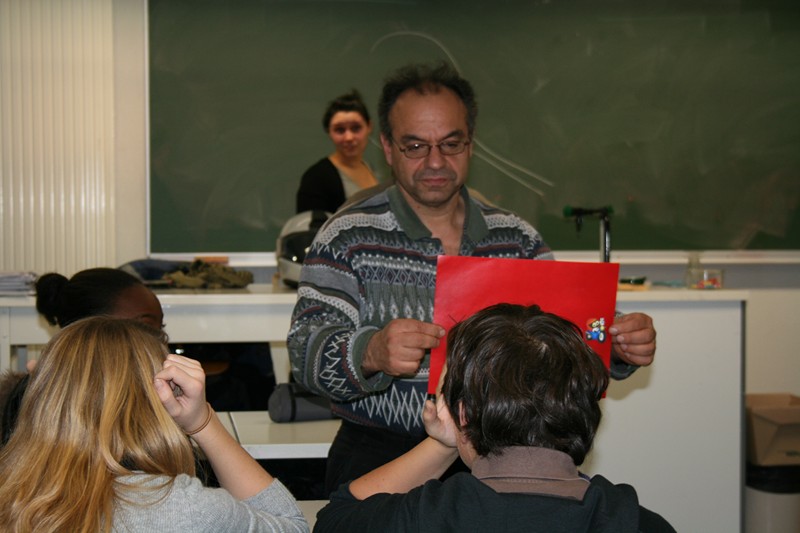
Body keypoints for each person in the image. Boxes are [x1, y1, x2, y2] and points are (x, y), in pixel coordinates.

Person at [287, 62, 657, 494]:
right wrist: (370, 351)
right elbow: (304, 353)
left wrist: (619, 345)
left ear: (470, 144)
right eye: (415, 146)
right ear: (387, 148)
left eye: (451, 143)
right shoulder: (346, 236)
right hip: (383, 456)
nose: (436, 162)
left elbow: (568, 337)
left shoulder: (517, 239)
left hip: (506, 459)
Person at [314, 304, 675, 532]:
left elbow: (335, 518)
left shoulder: (425, 516)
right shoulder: (638, 522)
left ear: (461, 413)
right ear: (584, 409)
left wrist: (443, 442)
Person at [0, 317, 308, 532]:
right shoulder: (175, 507)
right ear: (152, 402)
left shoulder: (11, 496)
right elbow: (291, 525)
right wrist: (203, 422)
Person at [0, 267, 164, 445]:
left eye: (161, 328)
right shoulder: (39, 408)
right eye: (146, 326)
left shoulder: (153, 394)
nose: (161, 340)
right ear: (88, 332)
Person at [296, 89, 379, 213]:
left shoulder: (370, 168)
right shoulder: (316, 178)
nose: (349, 137)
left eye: (356, 128)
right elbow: (309, 229)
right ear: (329, 132)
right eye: (340, 130)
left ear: (369, 127)